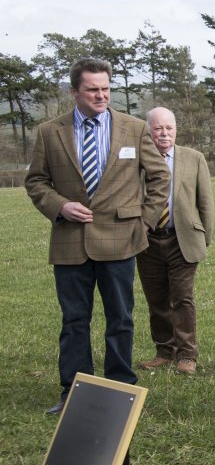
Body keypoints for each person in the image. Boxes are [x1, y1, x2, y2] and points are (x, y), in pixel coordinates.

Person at [25, 58, 170, 415]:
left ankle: (121, 390)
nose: (101, 95)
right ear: (74, 91)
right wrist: (60, 206)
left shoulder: (134, 129)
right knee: (74, 320)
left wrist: (145, 223)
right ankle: (72, 391)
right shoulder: (49, 132)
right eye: (92, 89)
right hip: (70, 241)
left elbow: (159, 179)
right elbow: (36, 181)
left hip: (122, 239)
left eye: (106, 89)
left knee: (120, 318)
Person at [136, 107, 215, 375]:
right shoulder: (137, 160)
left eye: (169, 128)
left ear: (176, 129)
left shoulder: (194, 158)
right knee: (156, 299)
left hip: (182, 240)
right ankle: (164, 352)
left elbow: (205, 202)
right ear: (148, 130)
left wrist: (206, 238)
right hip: (147, 241)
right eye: (158, 128)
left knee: (182, 298)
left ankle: (187, 355)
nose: (164, 133)